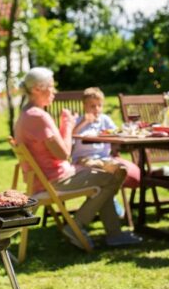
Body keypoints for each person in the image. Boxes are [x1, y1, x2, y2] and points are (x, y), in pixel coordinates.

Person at [13, 68, 142, 249]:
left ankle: (113, 233)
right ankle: (78, 226)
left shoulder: (27, 114)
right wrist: (69, 124)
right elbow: (64, 153)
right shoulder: (38, 116)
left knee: (106, 174)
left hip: (46, 178)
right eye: (50, 87)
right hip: (54, 181)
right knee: (112, 178)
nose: (54, 91)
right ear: (36, 89)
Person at [71, 87, 141, 189]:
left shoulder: (105, 119)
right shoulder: (78, 121)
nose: (97, 109)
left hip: (104, 157)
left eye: (99, 106)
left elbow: (116, 132)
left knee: (111, 165)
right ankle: (107, 171)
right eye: (92, 106)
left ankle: (112, 169)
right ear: (85, 106)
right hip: (83, 158)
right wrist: (84, 122)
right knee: (95, 165)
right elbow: (70, 136)